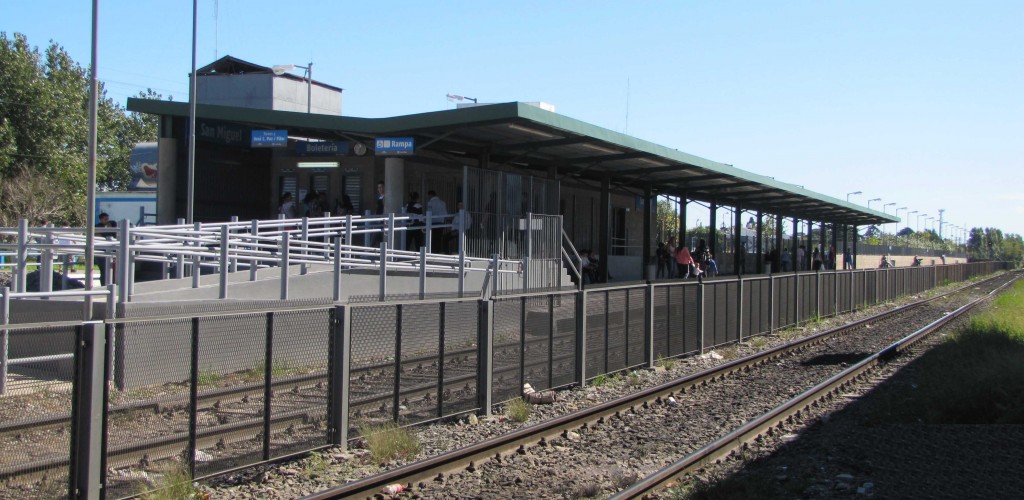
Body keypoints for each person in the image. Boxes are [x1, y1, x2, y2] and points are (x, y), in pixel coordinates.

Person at [95, 213, 116, 286]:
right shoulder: (97, 227)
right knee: (103, 270)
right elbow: (101, 236)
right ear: (101, 220)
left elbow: (114, 234)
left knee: (112, 269)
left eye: (108, 219)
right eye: (105, 219)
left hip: (111, 251)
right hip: (101, 252)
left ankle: (111, 284)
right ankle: (104, 285)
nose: (107, 220)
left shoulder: (112, 225)